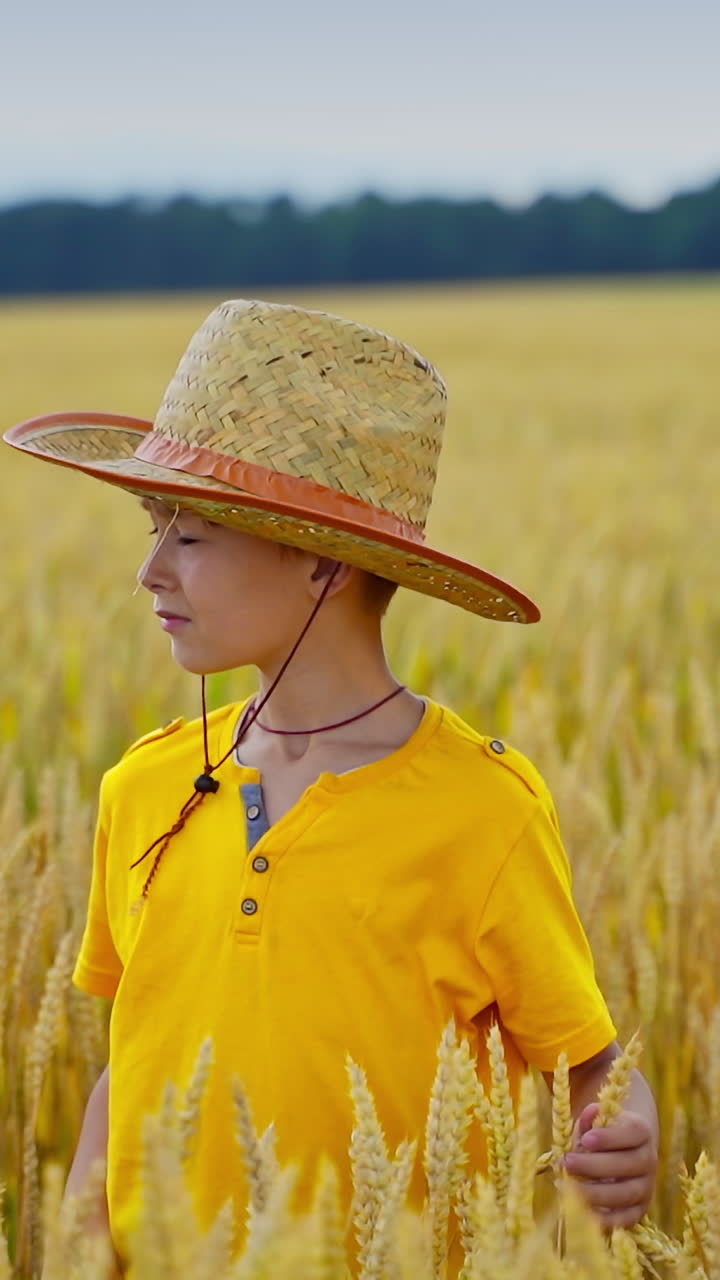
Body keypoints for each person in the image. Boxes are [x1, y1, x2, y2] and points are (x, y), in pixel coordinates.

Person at [5, 298, 658, 1277]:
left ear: (318, 561)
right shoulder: (144, 784)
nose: (149, 571)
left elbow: (591, 1063)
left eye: (191, 536)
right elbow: (129, 1067)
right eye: (154, 528)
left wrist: (625, 1134)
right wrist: (76, 1246)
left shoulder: (482, 810)